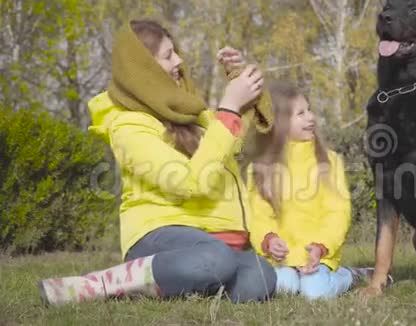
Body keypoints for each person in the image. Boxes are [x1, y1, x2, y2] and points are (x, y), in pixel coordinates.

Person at [38, 19, 276, 305]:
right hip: (161, 235)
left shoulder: (194, 116)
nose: (179, 61)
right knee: (215, 260)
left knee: (260, 279)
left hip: (214, 241)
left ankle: (182, 284)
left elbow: (231, 140)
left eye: (175, 52)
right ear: (145, 71)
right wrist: (228, 107)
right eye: (167, 55)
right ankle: (100, 284)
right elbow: (188, 182)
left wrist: (241, 83)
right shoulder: (128, 127)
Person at [246, 81, 373, 300]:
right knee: (284, 286)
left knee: (314, 292)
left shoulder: (330, 161)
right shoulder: (260, 168)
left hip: (317, 255)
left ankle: (350, 275)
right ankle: (295, 278)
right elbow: (257, 215)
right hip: (281, 259)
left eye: (310, 110)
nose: (311, 118)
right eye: (301, 114)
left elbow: (337, 213)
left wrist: (321, 248)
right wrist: (269, 239)